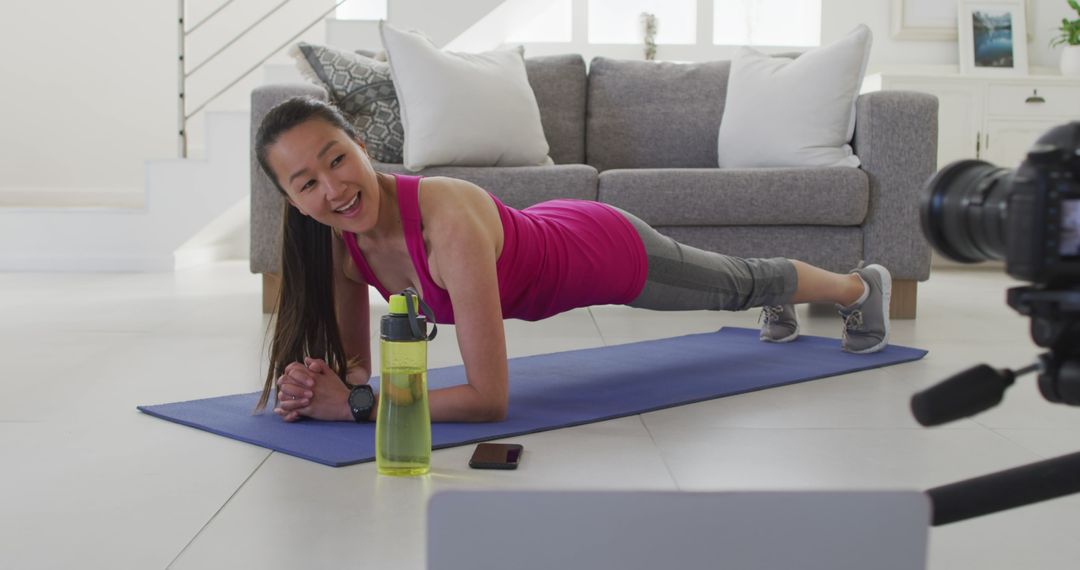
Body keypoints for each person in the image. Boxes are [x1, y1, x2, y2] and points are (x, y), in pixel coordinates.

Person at [255, 97, 892, 424]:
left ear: (363, 146)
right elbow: (360, 372)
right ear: (290, 199)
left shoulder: (445, 222)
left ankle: (857, 289)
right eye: (306, 183)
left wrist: (354, 407)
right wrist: (320, 384)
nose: (333, 189)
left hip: (604, 251)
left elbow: (488, 398)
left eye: (337, 158)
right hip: (546, 228)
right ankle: (778, 293)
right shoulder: (337, 245)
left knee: (734, 283)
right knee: (737, 280)